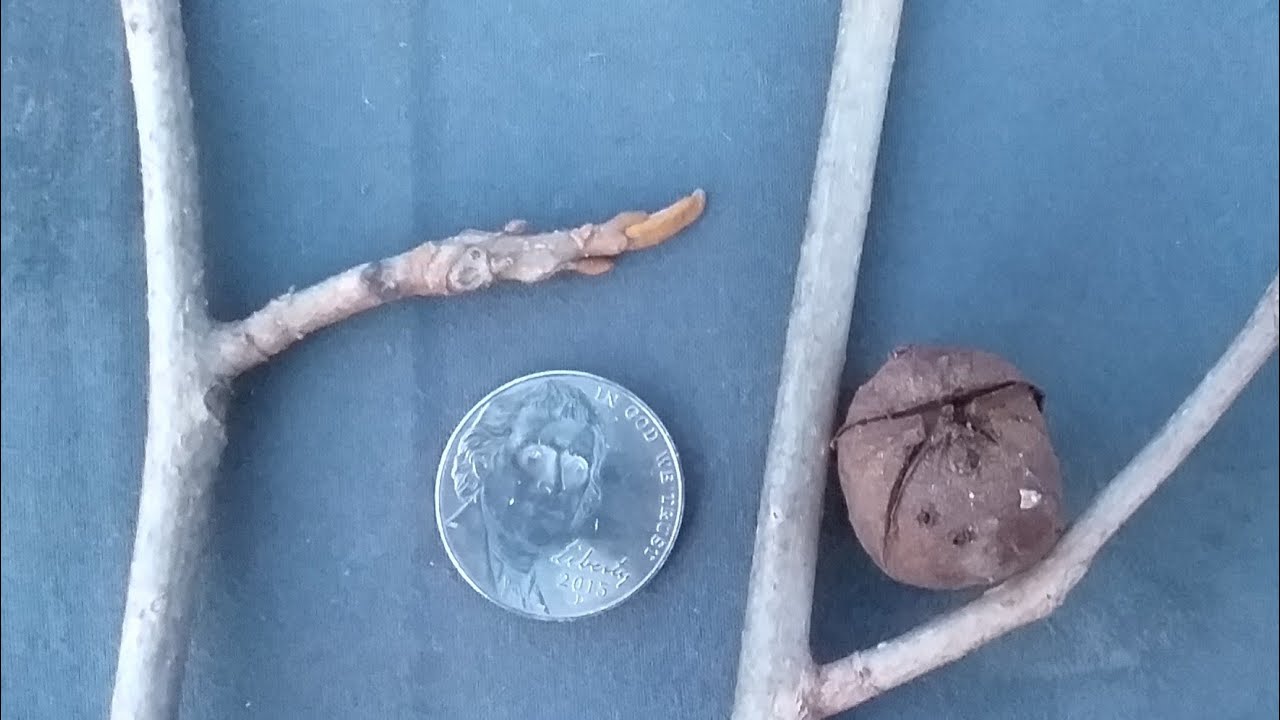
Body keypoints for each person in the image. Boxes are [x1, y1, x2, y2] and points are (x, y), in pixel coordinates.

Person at [446, 378, 611, 615]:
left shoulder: (539, 592)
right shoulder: (461, 549)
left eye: (575, 469)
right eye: (535, 459)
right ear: (486, 456)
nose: (552, 486)